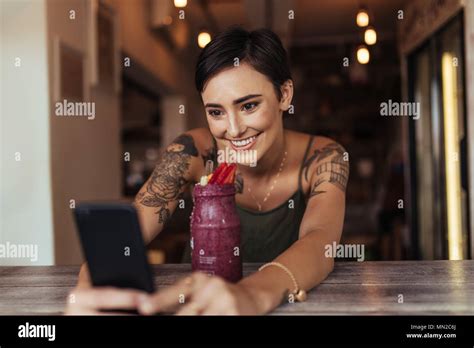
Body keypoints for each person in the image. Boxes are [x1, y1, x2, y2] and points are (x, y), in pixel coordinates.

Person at [66, 26, 349, 315]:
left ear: (285, 95)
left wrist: (250, 295)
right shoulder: (193, 151)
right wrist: (93, 286)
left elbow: (320, 241)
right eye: (216, 112)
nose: (234, 129)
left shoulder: (323, 158)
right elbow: (128, 233)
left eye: (249, 105)